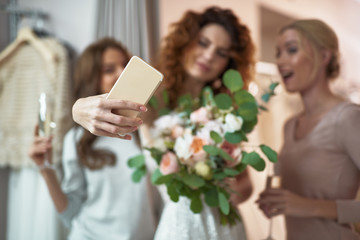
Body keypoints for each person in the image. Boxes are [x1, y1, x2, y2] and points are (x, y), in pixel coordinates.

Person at [72, 6, 255, 240]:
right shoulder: (152, 95)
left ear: (229, 63)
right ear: (185, 42)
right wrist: (77, 109)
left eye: (221, 53)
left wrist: (215, 183)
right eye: (203, 43)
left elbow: (246, 185)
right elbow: (104, 105)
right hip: (179, 225)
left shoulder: (226, 111)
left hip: (223, 225)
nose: (209, 55)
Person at [28, 38, 157, 240]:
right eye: (108, 69)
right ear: (92, 79)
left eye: (125, 65)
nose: (121, 73)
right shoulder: (77, 138)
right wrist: (45, 169)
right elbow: (70, 212)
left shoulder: (146, 130)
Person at [256, 19, 360, 240]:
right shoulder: (290, 125)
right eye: (278, 53)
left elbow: (301, 204)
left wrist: (307, 206)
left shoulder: (347, 118)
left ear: (324, 57)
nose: (281, 61)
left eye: (292, 50)